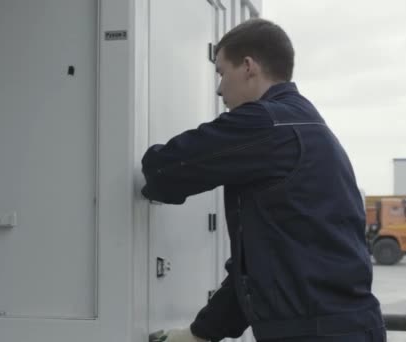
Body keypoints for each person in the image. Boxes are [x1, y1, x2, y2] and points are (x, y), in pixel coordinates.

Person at [141, 19, 386, 342]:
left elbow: (165, 169)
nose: (218, 88)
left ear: (248, 67)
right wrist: (199, 334)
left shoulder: (267, 123)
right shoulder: (308, 124)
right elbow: (263, 268)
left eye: (221, 72)